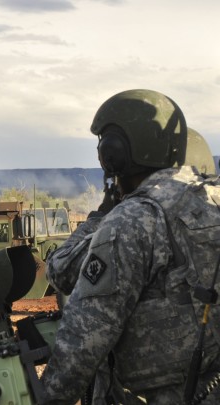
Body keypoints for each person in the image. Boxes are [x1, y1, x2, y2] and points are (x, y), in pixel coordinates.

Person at [39, 89, 220, 404]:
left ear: (116, 153)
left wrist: (49, 398)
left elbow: (83, 340)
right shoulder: (212, 200)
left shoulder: (132, 221)